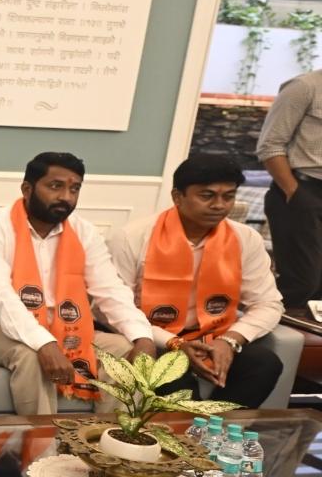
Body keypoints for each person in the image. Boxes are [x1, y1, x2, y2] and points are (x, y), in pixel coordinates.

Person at [0, 152, 157, 416]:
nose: (66, 197)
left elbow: (110, 290)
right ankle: (41, 452)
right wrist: (45, 344)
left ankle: (105, 446)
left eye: (74, 189)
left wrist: (143, 337)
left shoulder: (84, 233)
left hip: (64, 328)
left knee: (123, 350)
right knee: (30, 355)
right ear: (27, 189)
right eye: (55, 186)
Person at [108, 154, 285, 408]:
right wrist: (175, 344)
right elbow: (113, 308)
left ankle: (215, 435)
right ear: (177, 196)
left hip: (215, 336)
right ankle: (187, 439)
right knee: (173, 375)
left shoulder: (245, 239)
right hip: (155, 338)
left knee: (264, 363)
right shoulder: (132, 237)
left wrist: (230, 340)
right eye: (207, 196)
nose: (219, 205)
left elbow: (269, 303)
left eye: (228, 196)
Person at [257, 68, 322, 307]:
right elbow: (270, 146)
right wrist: (294, 193)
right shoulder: (304, 87)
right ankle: (272, 336)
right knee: (303, 282)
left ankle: (310, 343)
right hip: (302, 192)